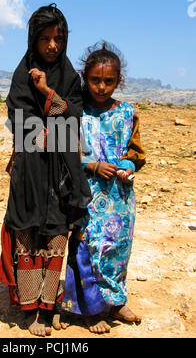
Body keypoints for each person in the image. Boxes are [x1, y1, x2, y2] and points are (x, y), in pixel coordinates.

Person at [0, 4, 91, 337]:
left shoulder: (69, 77)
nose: (52, 46)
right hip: (31, 170)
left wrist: (47, 92)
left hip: (62, 173)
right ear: (33, 40)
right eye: (45, 39)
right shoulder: (22, 74)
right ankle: (29, 305)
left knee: (56, 235)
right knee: (27, 234)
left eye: (58, 38)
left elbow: (73, 117)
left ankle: (46, 310)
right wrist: (50, 125)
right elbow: (19, 122)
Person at [62, 41, 146, 334]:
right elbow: (66, 151)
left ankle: (116, 302)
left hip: (120, 198)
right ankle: (89, 309)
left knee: (117, 250)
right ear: (86, 78)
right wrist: (93, 165)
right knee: (88, 246)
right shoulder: (76, 112)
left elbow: (136, 153)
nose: (101, 87)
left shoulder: (127, 113)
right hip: (87, 194)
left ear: (118, 81)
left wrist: (127, 167)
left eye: (109, 81)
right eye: (95, 80)